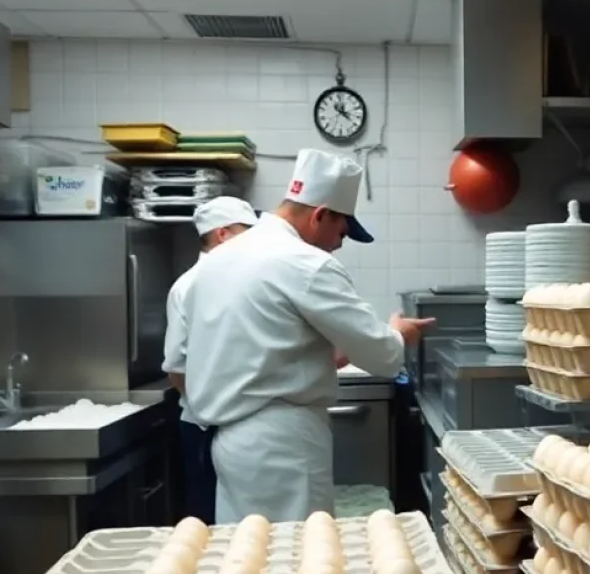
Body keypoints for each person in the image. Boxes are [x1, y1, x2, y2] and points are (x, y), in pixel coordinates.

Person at [174, 148, 434, 525]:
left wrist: (318, 353)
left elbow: (257, 344)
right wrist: (398, 333)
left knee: (247, 562)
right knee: (295, 564)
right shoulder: (305, 263)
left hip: (230, 443)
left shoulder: (219, 260)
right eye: (341, 232)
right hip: (283, 447)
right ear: (320, 215)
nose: (339, 244)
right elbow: (381, 356)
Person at [163, 197, 258, 523]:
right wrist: (210, 410)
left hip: (238, 422)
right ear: (222, 234)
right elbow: (177, 367)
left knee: (247, 524)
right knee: (209, 523)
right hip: (205, 426)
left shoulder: (245, 280)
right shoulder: (189, 285)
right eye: (248, 233)